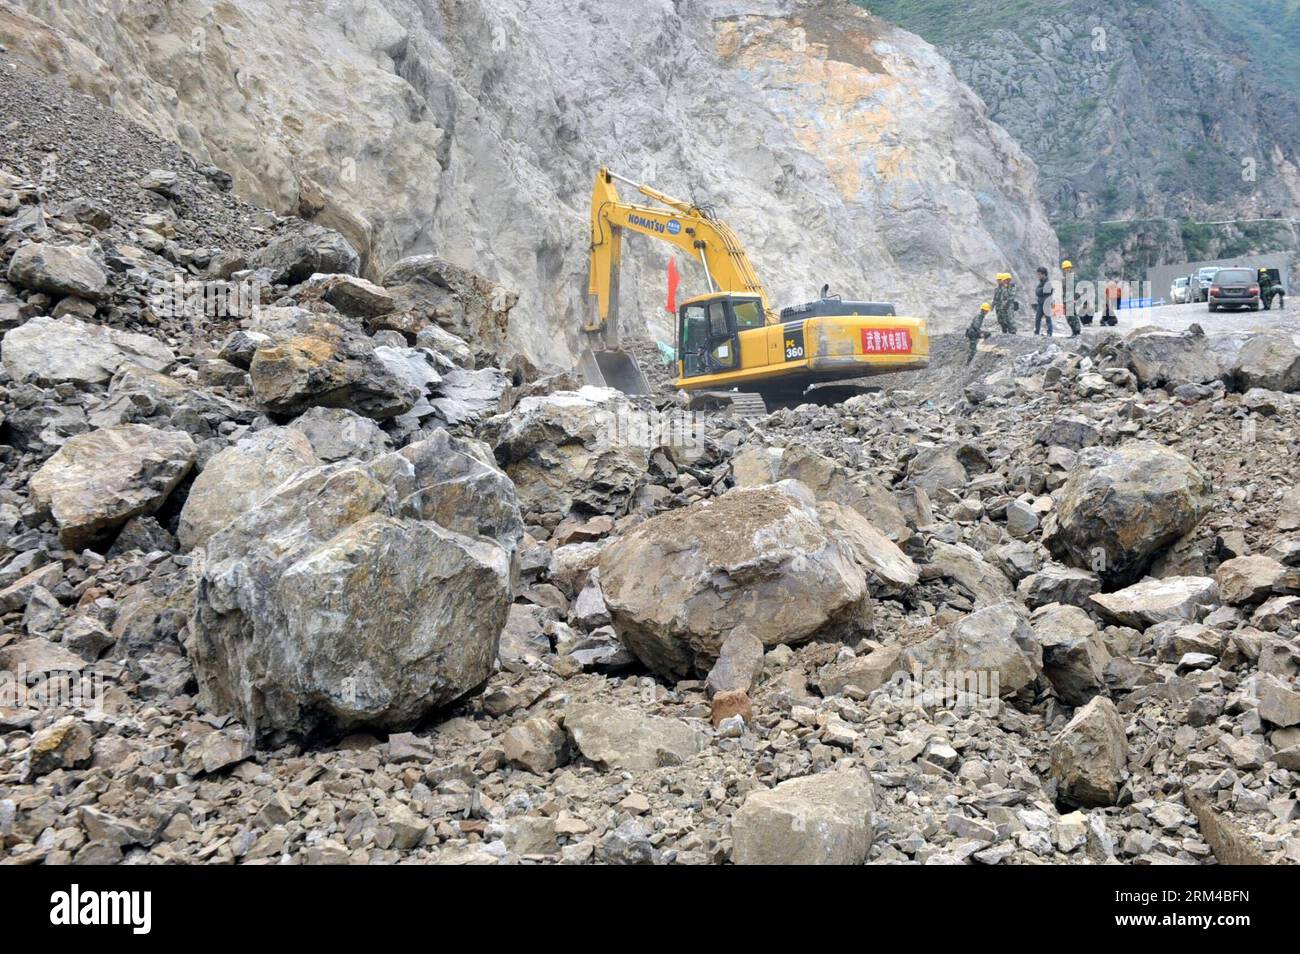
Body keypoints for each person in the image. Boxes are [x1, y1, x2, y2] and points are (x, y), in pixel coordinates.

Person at [1061, 260, 1081, 337]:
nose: (1065, 270)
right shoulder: (1066, 279)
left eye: (1067, 268)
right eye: (1064, 269)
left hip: (1071, 300)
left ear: (1070, 268)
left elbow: (1078, 290)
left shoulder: (1072, 278)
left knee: (1073, 316)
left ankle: (1077, 332)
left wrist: (1075, 299)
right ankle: (1074, 332)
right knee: (1069, 317)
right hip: (1067, 300)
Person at [1034, 267, 1054, 336]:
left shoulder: (1048, 283)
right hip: (1040, 303)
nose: (1038, 276)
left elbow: (1041, 291)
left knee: (1048, 319)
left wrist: (1040, 291)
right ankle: (1036, 333)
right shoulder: (1041, 283)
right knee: (1037, 319)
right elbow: (1037, 292)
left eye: (1039, 274)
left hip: (1046, 304)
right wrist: (1041, 291)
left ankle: (1049, 333)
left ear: (1044, 274)